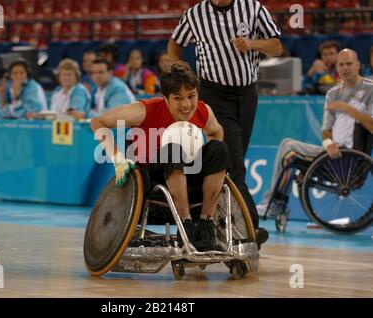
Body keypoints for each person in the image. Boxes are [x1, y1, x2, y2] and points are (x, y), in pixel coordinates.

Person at [91, 62, 266, 251]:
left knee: (220, 148)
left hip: (189, 177)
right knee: (174, 149)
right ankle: (187, 225)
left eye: (191, 96)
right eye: (178, 98)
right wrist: (117, 158)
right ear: (165, 98)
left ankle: (206, 224)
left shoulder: (203, 110)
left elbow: (216, 131)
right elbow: (98, 121)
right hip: (153, 180)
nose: (186, 105)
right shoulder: (146, 110)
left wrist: (205, 156)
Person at [168, 0, 282, 235]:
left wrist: (252, 43)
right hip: (214, 93)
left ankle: (215, 222)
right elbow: (174, 45)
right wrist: (182, 72)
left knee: (231, 162)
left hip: (248, 93)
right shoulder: (195, 14)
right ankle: (251, 231)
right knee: (235, 163)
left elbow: (276, 47)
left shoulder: (252, 8)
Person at [257, 49, 373, 216]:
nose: (345, 68)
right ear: (337, 68)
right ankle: (277, 202)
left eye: (349, 63)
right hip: (332, 155)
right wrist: (328, 144)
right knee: (287, 148)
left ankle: (274, 203)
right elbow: (326, 130)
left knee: (288, 148)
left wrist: (347, 108)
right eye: (341, 64)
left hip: (352, 158)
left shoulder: (370, 90)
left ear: (358, 65)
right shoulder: (333, 93)